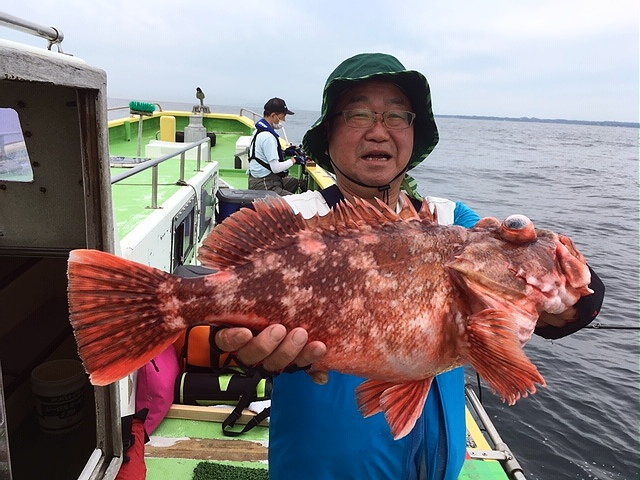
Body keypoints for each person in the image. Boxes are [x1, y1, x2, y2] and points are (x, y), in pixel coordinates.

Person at [214, 53, 605, 479]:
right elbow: (220, 329)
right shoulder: (294, 220)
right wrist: (242, 351)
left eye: (397, 116)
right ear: (327, 135)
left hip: (434, 468)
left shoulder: (455, 221)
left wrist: (568, 297)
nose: (378, 130)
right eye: (358, 113)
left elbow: (566, 303)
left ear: (415, 136)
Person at [248, 97, 305, 195]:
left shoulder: (259, 131)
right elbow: (275, 168)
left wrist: (285, 152)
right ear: (273, 115)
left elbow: (263, 154)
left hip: (258, 180)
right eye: (282, 116)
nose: (284, 120)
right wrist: (295, 159)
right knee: (296, 202)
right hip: (264, 184)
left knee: (295, 182)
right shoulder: (268, 137)